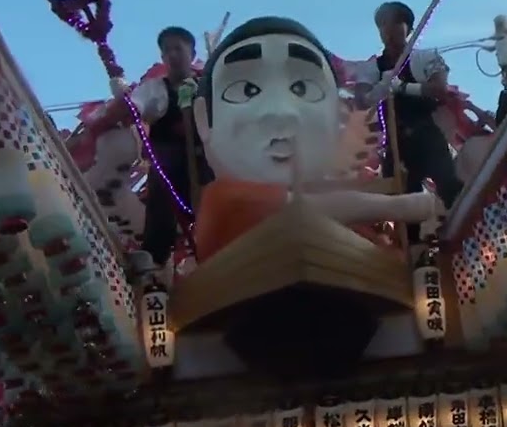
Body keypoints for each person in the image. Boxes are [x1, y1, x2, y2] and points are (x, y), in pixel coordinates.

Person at [190, 17, 440, 262]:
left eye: (303, 89)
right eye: (247, 90)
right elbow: (302, 209)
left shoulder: (353, 224)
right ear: (203, 119)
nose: (281, 111)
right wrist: (396, 207)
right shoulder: (224, 200)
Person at [351, 2, 464, 223]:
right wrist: (378, 91)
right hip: (395, 144)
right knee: (402, 205)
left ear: (408, 28)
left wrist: (402, 87)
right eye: (383, 24)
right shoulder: (372, 68)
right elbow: (362, 101)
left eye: (395, 22)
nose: (389, 29)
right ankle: (414, 250)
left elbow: (439, 90)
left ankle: (462, 224)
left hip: (426, 135)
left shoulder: (425, 58)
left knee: (448, 184)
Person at [110, 26, 213, 264]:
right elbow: (134, 107)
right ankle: (154, 256)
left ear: (192, 52)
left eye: (178, 48)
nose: (173, 55)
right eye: (167, 51)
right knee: (164, 171)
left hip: (206, 163)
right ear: (162, 57)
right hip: (170, 167)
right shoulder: (155, 89)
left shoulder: (208, 87)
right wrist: (123, 97)